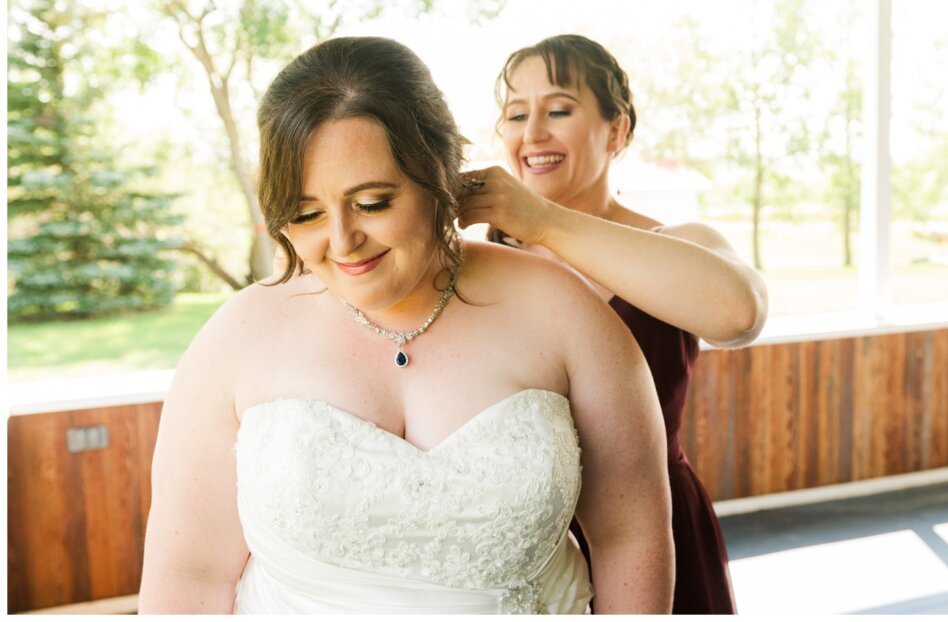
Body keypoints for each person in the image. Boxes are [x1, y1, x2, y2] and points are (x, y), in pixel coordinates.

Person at [137, 36, 674, 614]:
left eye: (372, 203)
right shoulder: (235, 338)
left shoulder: (564, 312)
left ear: (440, 175)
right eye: (306, 213)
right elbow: (187, 575)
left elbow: (630, 535)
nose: (342, 242)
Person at [458, 34, 768, 614]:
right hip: (514, 546)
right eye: (516, 114)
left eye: (558, 110)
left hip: (659, 532)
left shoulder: (677, 246)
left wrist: (544, 221)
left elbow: (738, 313)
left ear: (617, 130)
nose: (532, 134)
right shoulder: (474, 266)